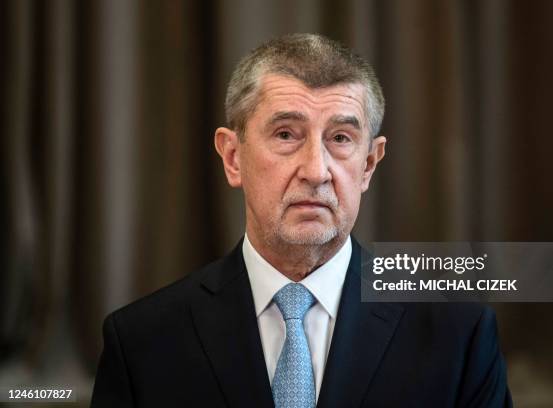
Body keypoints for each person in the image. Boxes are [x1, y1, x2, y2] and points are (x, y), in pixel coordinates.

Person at [91, 33, 512, 408]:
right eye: (286, 135)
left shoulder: (460, 337)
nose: (316, 170)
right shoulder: (143, 342)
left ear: (368, 165)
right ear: (233, 158)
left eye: (340, 139)